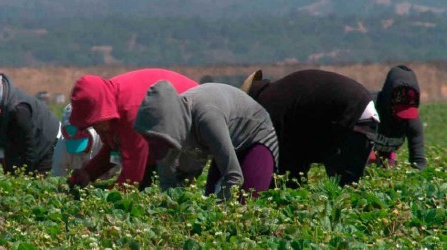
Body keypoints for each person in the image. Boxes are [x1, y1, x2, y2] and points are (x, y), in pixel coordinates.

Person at [134, 80, 279, 200]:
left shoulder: (207, 118)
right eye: (149, 139)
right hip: (223, 141)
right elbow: (168, 182)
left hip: (255, 136)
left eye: (158, 140)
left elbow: (234, 176)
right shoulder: (163, 132)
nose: (154, 146)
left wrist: (220, 210)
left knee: (245, 204)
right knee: (210, 198)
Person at [241, 69, 379, 187]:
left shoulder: (268, 105)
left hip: (351, 114)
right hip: (364, 110)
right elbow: (299, 142)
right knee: (347, 184)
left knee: (345, 190)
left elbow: (276, 150)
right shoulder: (282, 93)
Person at [68, 68, 198, 189]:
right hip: (160, 138)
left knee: (173, 186)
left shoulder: (131, 112)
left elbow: (133, 175)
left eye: (95, 122)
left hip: (191, 124)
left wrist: (107, 199)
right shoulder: (109, 100)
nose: (95, 128)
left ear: (102, 112)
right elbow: (114, 148)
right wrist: (89, 172)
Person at [370, 65, 426, 169]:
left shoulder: (412, 121)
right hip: (357, 153)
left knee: (387, 170)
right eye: (400, 112)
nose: (403, 118)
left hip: (385, 155)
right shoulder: (369, 108)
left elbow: (419, 160)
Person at [51, 104, 120, 178]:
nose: (75, 137)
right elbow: (58, 175)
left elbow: (118, 169)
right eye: (69, 132)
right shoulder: (62, 146)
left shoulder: (106, 140)